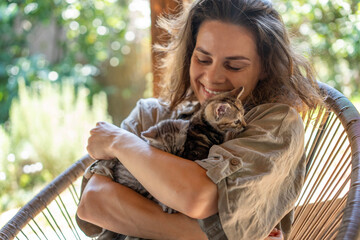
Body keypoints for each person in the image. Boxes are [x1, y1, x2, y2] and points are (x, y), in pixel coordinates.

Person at [76, 0, 324, 239]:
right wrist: (198, 234)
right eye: (203, 59)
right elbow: (93, 202)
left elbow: (197, 197)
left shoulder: (274, 124)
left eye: (235, 66)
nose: (213, 77)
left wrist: (120, 142)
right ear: (189, 54)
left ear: (266, 67)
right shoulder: (150, 114)